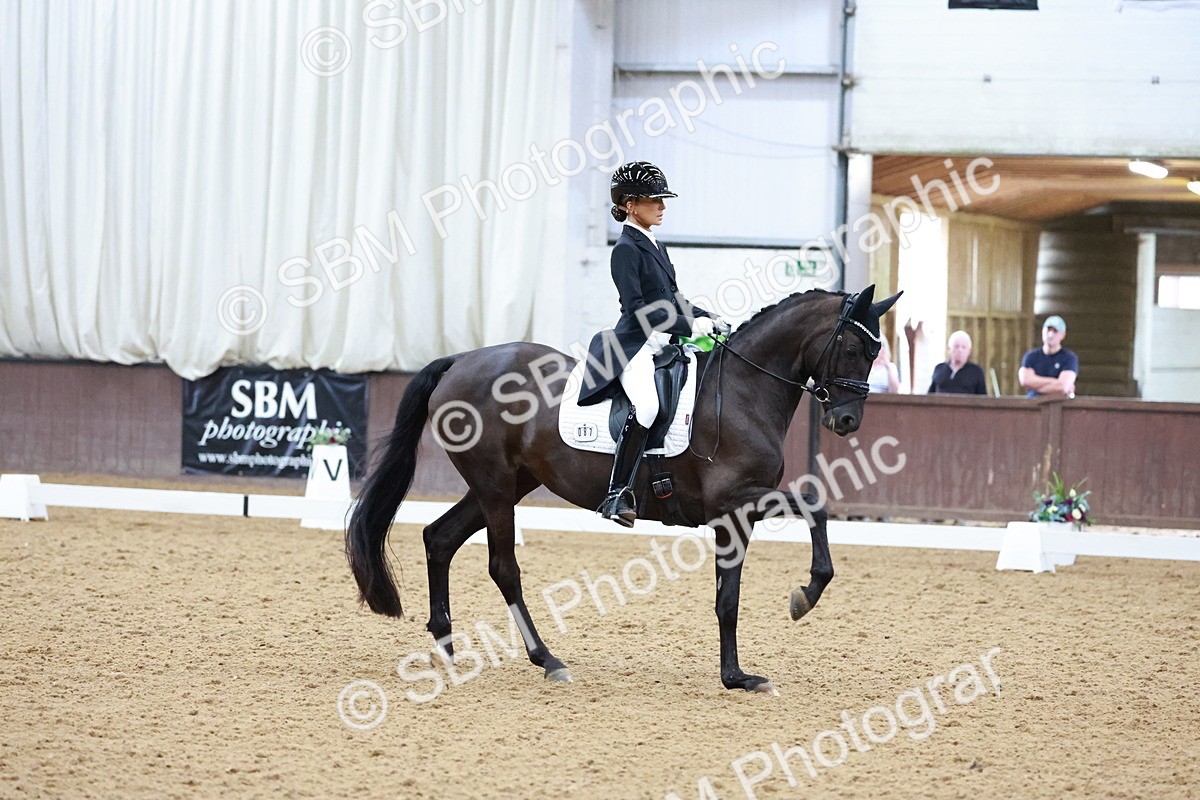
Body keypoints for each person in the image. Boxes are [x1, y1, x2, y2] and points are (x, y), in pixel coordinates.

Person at [576, 161, 730, 527]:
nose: (662, 206)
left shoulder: (654, 246)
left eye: (662, 199)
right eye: (654, 200)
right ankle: (616, 494)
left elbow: (674, 298)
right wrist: (692, 326)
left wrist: (709, 316)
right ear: (630, 205)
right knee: (646, 407)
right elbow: (639, 310)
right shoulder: (626, 250)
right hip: (633, 346)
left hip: (663, 344)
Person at [1019, 315, 1078, 398]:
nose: (1050, 335)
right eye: (1048, 330)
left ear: (1063, 335)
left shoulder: (1069, 358)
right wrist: (1056, 382)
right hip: (1033, 403)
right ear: (1042, 331)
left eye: (1055, 331)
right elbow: (1025, 380)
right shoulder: (1031, 356)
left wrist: (1036, 387)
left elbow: (1063, 386)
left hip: (1059, 404)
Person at [928, 330, 987, 395]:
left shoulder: (976, 371)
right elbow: (929, 396)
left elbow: (983, 399)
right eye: (956, 346)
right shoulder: (939, 368)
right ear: (949, 349)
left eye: (963, 347)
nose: (960, 350)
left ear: (969, 351)